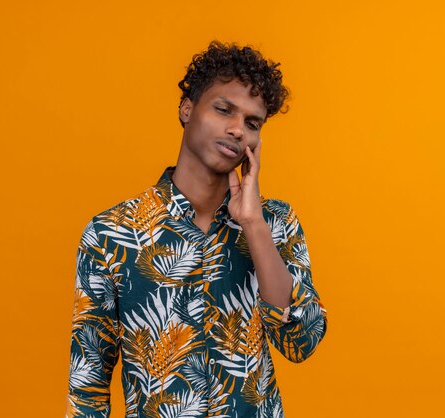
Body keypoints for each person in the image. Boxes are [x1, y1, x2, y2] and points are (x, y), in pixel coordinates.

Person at [66, 40, 327, 418]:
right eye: (224, 110)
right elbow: (87, 385)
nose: (238, 130)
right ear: (187, 109)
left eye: (252, 123)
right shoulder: (111, 233)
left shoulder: (276, 223)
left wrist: (253, 225)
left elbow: (300, 343)